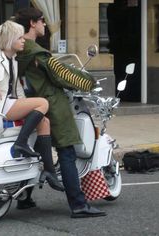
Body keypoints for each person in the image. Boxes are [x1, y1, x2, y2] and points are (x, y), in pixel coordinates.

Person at [14, 8, 107, 218]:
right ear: (32, 23)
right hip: (53, 104)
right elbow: (60, 73)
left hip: (30, 103)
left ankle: (25, 198)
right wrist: (88, 82)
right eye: (41, 21)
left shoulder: (19, 48)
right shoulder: (37, 51)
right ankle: (78, 205)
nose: (44, 25)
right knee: (67, 152)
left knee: (35, 149)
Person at [0, 20, 64, 193]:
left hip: (9, 104)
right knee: (43, 102)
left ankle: (49, 171)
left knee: (44, 122)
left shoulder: (14, 61)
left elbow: (17, 91)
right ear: (10, 40)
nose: (23, 39)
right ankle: (21, 143)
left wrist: (27, 105)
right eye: (19, 37)